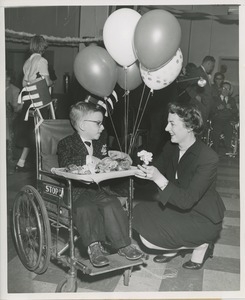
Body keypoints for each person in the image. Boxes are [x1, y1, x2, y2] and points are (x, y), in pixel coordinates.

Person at [133, 101, 226, 270]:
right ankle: (175, 245)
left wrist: (158, 178)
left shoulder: (208, 158)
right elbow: (156, 172)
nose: (167, 128)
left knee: (149, 239)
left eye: (172, 124)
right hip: (177, 207)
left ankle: (202, 245)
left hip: (202, 217)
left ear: (190, 126)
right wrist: (139, 170)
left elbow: (186, 201)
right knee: (137, 213)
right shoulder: (171, 146)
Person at [57, 101, 143, 267]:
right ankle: (93, 247)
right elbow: (66, 162)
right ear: (82, 125)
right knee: (85, 209)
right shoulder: (66, 143)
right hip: (77, 192)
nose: (102, 127)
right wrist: (90, 160)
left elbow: (105, 160)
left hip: (98, 190)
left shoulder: (99, 142)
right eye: (98, 123)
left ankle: (123, 244)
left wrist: (116, 158)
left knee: (112, 204)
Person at [15, 35, 53, 172]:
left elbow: (24, 83)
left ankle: (21, 162)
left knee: (32, 131)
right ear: (43, 47)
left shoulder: (27, 62)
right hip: (39, 101)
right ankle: (43, 164)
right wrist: (52, 82)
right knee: (42, 132)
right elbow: (47, 82)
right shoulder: (42, 61)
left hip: (28, 101)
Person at [211, 81, 238, 154]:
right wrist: (217, 108)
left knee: (229, 129)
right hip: (217, 119)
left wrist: (231, 108)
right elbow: (210, 110)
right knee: (216, 129)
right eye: (224, 88)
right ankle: (215, 150)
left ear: (230, 91)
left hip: (228, 120)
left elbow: (236, 111)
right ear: (220, 89)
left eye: (228, 89)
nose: (226, 90)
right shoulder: (215, 99)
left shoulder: (232, 100)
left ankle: (228, 149)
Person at [185, 56, 216, 123]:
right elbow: (186, 84)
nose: (212, 68)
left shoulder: (204, 73)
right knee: (197, 127)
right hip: (199, 106)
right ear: (208, 63)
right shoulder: (197, 71)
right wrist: (195, 96)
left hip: (204, 107)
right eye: (212, 66)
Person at [6, 70, 21, 166]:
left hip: (10, 117)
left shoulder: (15, 90)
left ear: (8, 78)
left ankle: (10, 160)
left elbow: (16, 109)